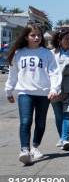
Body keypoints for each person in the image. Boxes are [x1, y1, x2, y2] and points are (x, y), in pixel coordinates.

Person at [4, 23, 61, 165]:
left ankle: (35, 147)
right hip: (25, 92)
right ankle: (24, 150)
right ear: (26, 37)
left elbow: (55, 72)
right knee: (25, 121)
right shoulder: (19, 53)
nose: (36, 38)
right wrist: (9, 90)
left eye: (39, 35)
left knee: (40, 123)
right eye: (33, 35)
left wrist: (54, 89)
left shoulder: (47, 54)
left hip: (43, 94)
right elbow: (13, 74)